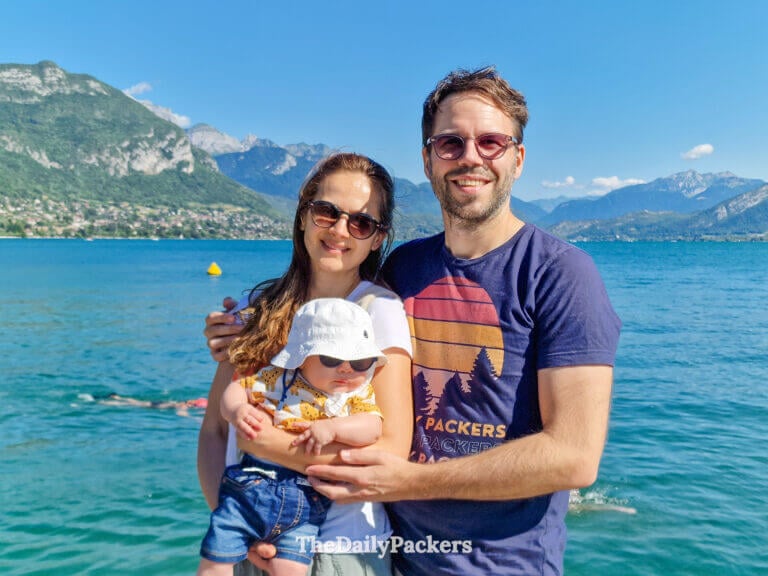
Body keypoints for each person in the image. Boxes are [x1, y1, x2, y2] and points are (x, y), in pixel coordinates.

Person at [205, 66, 621, 575]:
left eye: (491, 142)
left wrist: (406, 480)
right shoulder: (403, 269)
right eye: (450, 143)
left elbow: (575, 456)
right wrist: (242, 325)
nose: (470, 157)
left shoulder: (561, 274)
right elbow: (323, 297)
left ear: (518, 158)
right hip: (395, 555)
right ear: (427, 159)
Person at [198, 152, 413, 576]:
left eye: (361, 222)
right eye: (326, 212)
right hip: (247, 543)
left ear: (376, 238)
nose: (339, 230)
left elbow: (390, 449)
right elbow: (215, 430)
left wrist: (263, 443)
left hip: (339, 551)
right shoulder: (253, 311)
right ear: (302, 216)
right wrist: (238, 523)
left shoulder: (378, 311)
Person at [198, 298, 389, 576]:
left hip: (305, 501)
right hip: (250, 482)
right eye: (332, 359)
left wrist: (335, 429)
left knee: (291, 568)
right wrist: (237, 410)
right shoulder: (278, 378)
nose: (347, 369)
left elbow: (373, 426)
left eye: (361, 361)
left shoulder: (356, 395)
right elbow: (238, 389)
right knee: (216, 560)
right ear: (301, 358)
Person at [90, 393, 208, 417]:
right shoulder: (183, 406)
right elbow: (181, 413)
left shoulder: (199, 401)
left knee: (136, 403)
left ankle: (117, 397)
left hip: (162, 403)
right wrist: (192, 418)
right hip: (158, 406)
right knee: (134, 405)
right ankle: (103, 402)